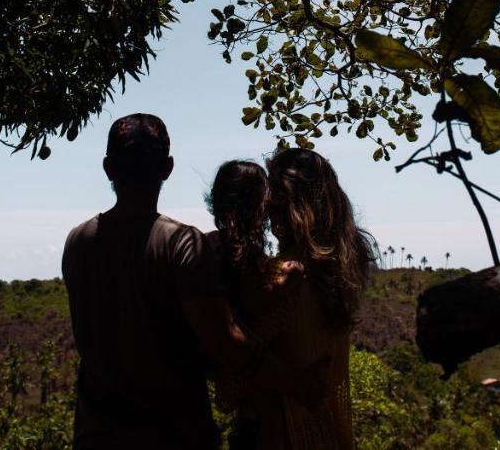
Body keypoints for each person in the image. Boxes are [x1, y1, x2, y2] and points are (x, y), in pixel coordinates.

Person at [62, 115, 315, 449]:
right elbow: (225, 341)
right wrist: (298, 382)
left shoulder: (78, 241)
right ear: (167, 168)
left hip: (96, 435)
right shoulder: (180, 244)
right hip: (174, 433)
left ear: (108, 168)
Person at [215, 149, 376, 450]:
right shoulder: (342, 269)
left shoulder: (285, 276)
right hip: (326, 432)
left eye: (271, 199)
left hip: (276, 433)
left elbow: (230, 384)